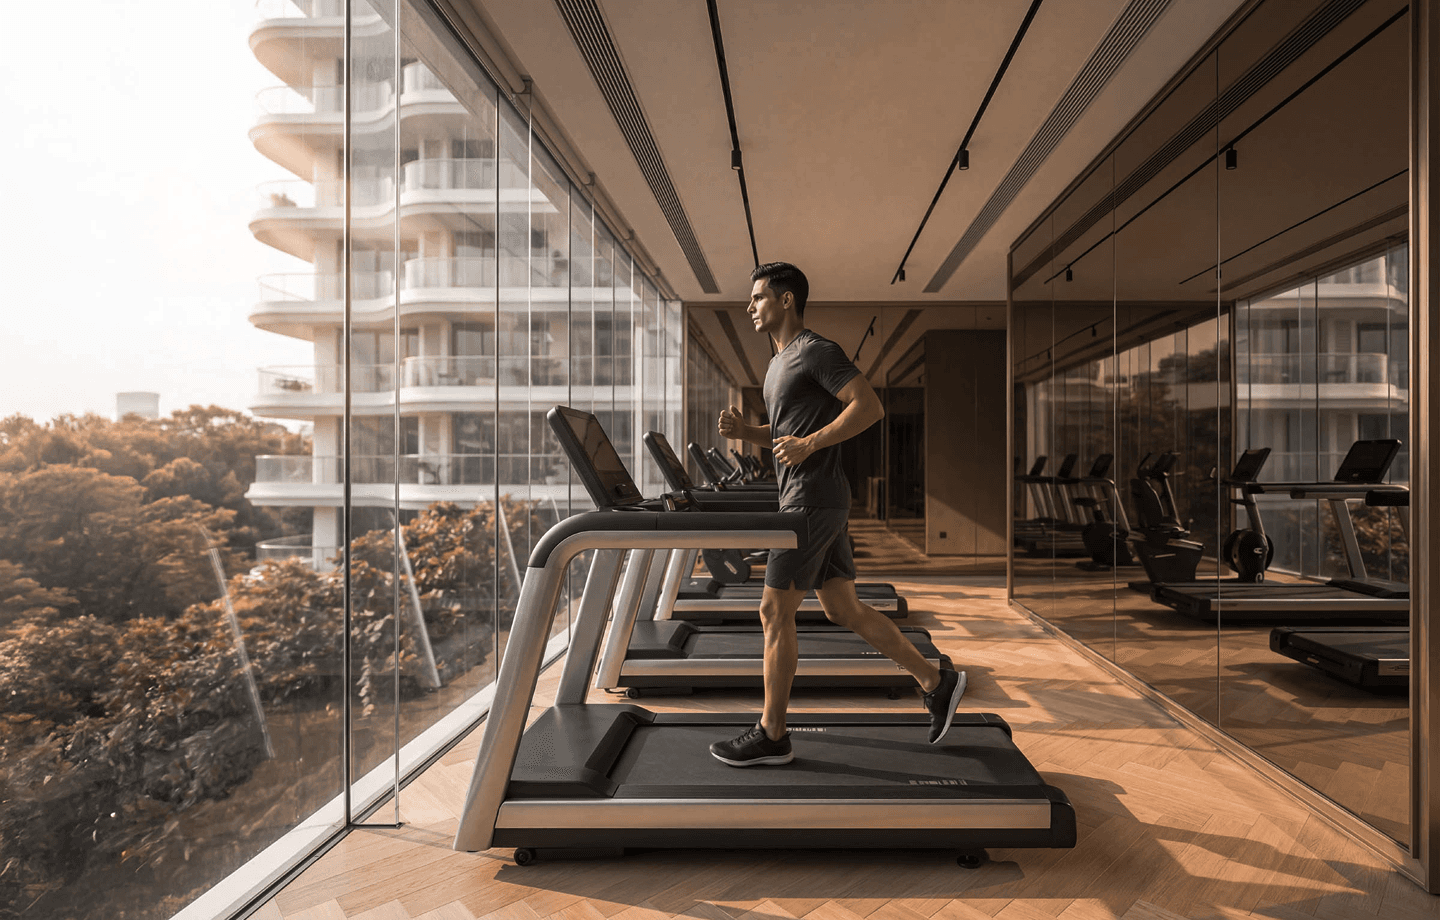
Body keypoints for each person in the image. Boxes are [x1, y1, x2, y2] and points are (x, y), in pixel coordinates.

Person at [709, 261, 966, 767]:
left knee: (772, 611)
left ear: (786, 301)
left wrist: (810, 444)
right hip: (812, 497)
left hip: (811, 499)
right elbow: (787, 437)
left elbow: (868, 407)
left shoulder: (815, 351)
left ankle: (773, 733)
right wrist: (749, 434)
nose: (750, 306)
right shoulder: (775, 364)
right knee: (841, 608)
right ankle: (936, 681)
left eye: (759, 297)